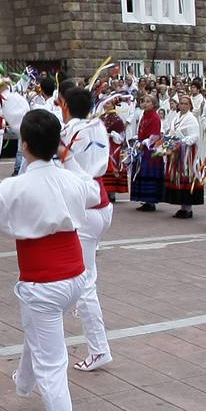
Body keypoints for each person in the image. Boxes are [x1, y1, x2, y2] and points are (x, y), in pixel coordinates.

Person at [0, 110, 100, 411]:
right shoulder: (71, 180)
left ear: (24, 145)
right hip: (74, 278)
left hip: (44, 283)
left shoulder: (15, 186)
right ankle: (23, 381)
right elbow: (96, 193)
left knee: (52, 366)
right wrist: (73, 162)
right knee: (39, 329)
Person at [59, 89, 114, 373]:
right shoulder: (98, 125)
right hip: (101, 203)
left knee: (85, 283)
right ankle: (83, 310)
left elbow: (61, 161)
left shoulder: (69, 132)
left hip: (87, 206)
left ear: (65, 105)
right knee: (86, 272)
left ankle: (99, 348)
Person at [162, 95, 202, 219]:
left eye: (186, 104)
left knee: (186, 177)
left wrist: (182, 142)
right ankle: (182, 207)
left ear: (190, 106)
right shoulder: (175, 117)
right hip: (176, 152)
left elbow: (195, 136)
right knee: (178, 178)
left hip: (187, 154)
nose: (183, 106)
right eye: (181, 103)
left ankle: (188, 208)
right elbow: (171, 131)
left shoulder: (191, 119)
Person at [131, 95, 165, 211]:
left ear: (154, 104)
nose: (145, 104)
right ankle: (145, 200)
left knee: (148, 171)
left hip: (150, 150)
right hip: (142, 147)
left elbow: (155, 135)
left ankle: (150, 201)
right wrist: (138, 138)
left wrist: (146, 141)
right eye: (143, 101)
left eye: (148, 102)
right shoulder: (144, 115)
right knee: (140, 171)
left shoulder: (155, 117)